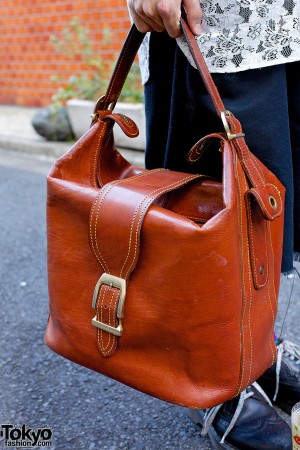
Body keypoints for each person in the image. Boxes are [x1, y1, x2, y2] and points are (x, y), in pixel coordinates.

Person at [127, 1, 300, 449]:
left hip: (278, 24)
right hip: (207, 25)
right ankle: (208, 369)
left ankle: (257, 348)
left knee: (269, 200)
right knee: (203, 210)